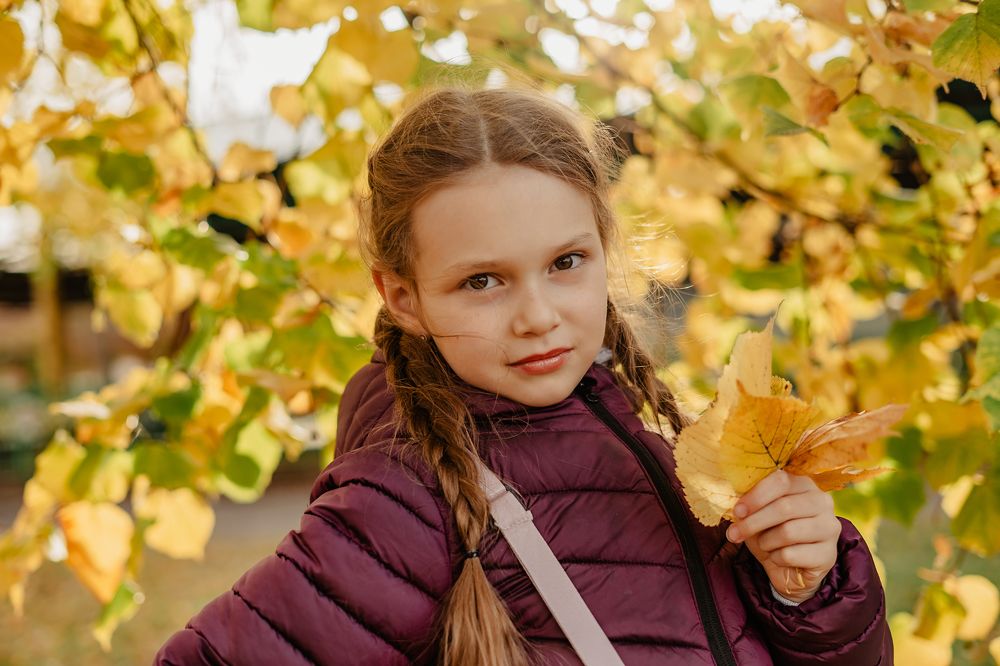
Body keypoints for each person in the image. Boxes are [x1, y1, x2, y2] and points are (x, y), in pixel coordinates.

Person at [155, 83, 892, 665]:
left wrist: (805, 592)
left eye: (565, 263)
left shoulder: (661, 438)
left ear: (604, 248)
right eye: (482, 281)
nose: (538, 316)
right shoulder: (404, 496)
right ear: (402, 297)